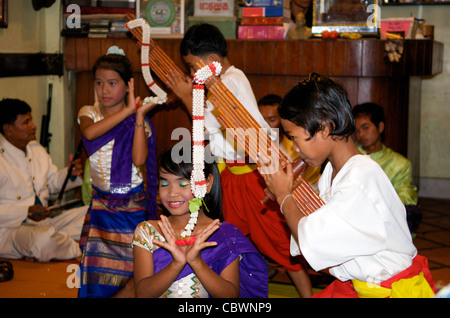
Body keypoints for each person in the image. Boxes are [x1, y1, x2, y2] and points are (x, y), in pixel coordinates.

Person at [165, 23, 313, 298]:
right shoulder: (221, 83)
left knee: (280, 247)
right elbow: (211, 129)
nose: (190, 75)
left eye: (191, 68)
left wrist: (188, 97)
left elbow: (218, 129)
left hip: (251, 178)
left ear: (211, 62)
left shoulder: (230, 81)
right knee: (232, 242)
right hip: (232, 178)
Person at [258, 73, 437, 298]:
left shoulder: (358, 178)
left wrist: (285, 196)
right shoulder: (333, 170)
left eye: (294, 138)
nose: (294, 149)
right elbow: (325, 237)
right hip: (365, 284)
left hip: (389, 289)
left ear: (324, 128)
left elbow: (314, 241)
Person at [77, 46, 158, 298]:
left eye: (113, 83)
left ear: (128, 85)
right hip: (101, 207)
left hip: (131, 209)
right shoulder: (88, 113)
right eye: (99, 83)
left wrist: (137, 116)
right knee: (97, 273)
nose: (104, 90)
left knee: (135, 272)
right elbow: (90, 134)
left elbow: (139, 158)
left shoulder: (140, 122)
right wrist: (129, 109)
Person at [132, 147, 268, 298]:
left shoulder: (223, 234)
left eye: (183, 184)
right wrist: (177, 264)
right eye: (164, 184)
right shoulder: (148, 231)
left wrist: (196, 261)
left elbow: (230, 296)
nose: (172, 193)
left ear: (207, 183)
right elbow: (142, 293)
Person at [0, 98, 87, 262]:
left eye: (31, 120)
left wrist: (71, 174)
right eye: (26, 122)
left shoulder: (36, 149)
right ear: (8, 129)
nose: (33, 126)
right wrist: (25, 212)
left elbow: (52, 183)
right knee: (43, 240)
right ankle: (79, 250)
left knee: (94, 212)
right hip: (13, 231)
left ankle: (58, 241)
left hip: (47, 222)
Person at [353, 102, 421, 233]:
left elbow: (407, 199)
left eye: (365, 127)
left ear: (380, 127)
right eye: (357, 130)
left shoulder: (400, 163)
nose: (361, 134)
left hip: (386, 223)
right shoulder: (351, 156)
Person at [258, 94, 321, 192]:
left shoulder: (297, 148)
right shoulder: (254, 147)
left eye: (272, 120)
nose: (265, 125)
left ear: (283, 120)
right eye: (261, 120)